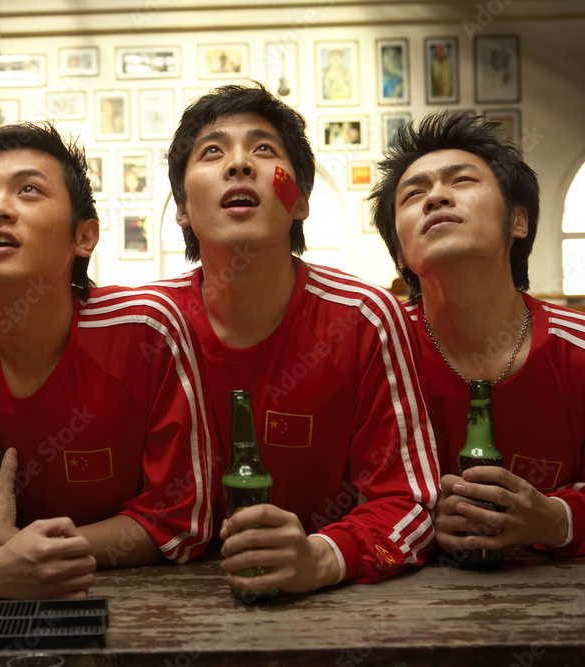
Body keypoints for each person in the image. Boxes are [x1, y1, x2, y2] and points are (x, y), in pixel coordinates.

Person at [0, 122, 214, 599]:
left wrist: (14, 547)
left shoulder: (146, 331)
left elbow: (178, 517)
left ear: (84, 236)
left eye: (28, 190)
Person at [155, 83, 438, 595]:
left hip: (333, 603)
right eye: (212, 151)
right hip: (160, 599)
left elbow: (412, 508)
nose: (239, 164)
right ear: (180, 208)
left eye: (264, 150)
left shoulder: (364, 318)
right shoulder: (147, 323)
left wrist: (323, 557)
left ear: (301, 201)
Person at [369, 111, 584, 558]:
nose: (436, 198)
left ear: (518, 221)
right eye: (414, 194)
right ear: (400, 254)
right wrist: (422, 519)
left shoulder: (577, 348)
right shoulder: (374, 353)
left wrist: (555, 517)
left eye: (461, 180)